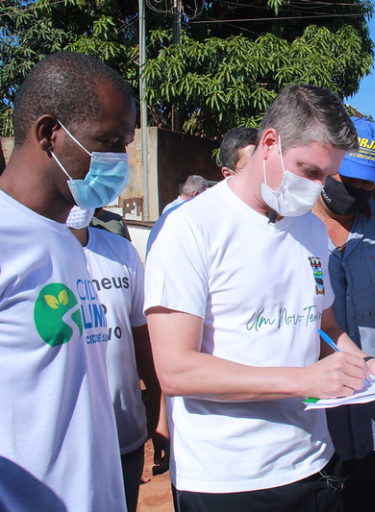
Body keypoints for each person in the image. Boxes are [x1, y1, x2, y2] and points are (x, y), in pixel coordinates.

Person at [144, 84, 375, 512]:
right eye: (308, 171)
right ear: (270, 143)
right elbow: (176, 370)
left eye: (325, 175)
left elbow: (326, 326)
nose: (317, 188)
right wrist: (303, 381)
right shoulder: (192, 228)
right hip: (229, 479)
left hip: (314, 463)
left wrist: (365, 365)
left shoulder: (309, 229)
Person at [0, 51, 135, 511]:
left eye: (125, 144)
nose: (120, 160)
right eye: (109, 140)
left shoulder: (65, 238)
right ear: (48, 134)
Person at [312, 117, 375, 511]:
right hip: (315, 421)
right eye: (352, 181)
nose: (361, 191)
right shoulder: (291, 227)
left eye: (369, 183)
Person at [67, 205, 163, 512]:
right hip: (56, 452)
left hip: (123, 439)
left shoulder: (120, 251)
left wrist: (160, 412)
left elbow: (143, 339)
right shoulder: (16, 250)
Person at [146, 128, 256, 254]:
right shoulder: (186, 223)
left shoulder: (277, 217)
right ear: (228, 173)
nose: (263, 173)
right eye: (252, 167)